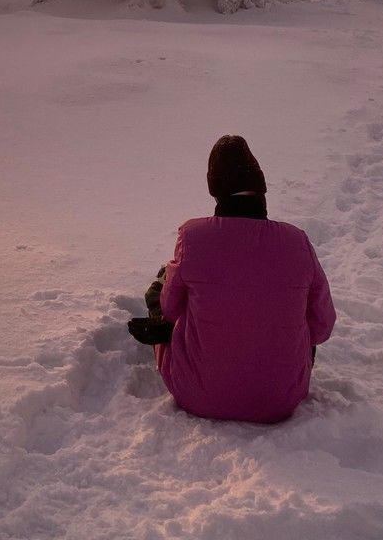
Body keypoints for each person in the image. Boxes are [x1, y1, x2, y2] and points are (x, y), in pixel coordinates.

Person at [129, 135, 335, 423]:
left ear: (215, 191)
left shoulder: (193, 237)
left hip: (197, 394)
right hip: (281, 398)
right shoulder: (296, 242)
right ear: (260, 187)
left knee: (163, 283)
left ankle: (170, 338)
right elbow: (322, 326)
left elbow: (172, 308)